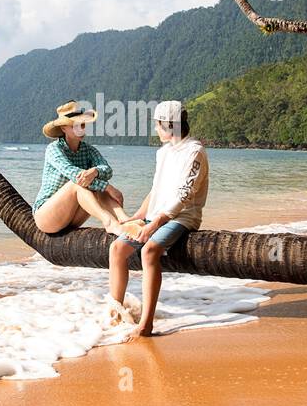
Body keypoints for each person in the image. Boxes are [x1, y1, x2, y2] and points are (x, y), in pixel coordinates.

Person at [109, 100, 209, 339]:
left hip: (184, 216)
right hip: (157, 215)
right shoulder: (163, 152)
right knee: (116, 249)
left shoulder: (195, 151)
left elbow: (184, 195)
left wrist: (154, 224)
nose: (155, 129)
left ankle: (146, 323)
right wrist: (137, 217)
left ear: (169, 125)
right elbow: (156, 190)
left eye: (157, 125)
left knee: (149, 251)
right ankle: (115, 313)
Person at [32, 101, 133, 235]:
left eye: (83, 125)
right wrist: (109, 187)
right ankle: (108, 222)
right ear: (63, 128)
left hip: (72, 217)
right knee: (78, 184)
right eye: (75, 125)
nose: (81, 129)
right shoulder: (54, 149)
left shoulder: (89, 150)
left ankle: (124, 220)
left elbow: (107, 170)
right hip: (46, 217)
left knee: (97, 187)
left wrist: (95, 171)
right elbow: (74, 174)